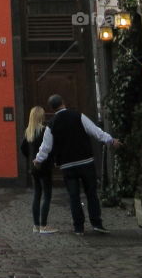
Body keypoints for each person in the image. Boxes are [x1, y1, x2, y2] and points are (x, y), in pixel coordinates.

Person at [33, 94, 120, 235]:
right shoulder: (78, 116)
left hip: (67, 165)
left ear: (52, 108)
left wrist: (38, 160)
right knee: (91, 193)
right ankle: (96, 223)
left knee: (74, 197)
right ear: (63, 102)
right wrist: (110, 140)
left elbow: (45, 147)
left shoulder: (52, 124)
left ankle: (79, 227)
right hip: (86, 161)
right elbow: (96, 131)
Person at [20, 105, 56, 234]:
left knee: (36, 195)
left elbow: (23, 149)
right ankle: (44, 226)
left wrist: (30, 158)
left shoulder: (28, 132)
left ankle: (35, 225)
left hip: (33, 168)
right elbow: (50, 148)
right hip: (44, 166)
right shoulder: (45, 130)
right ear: (41, 116)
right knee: (47, 195)